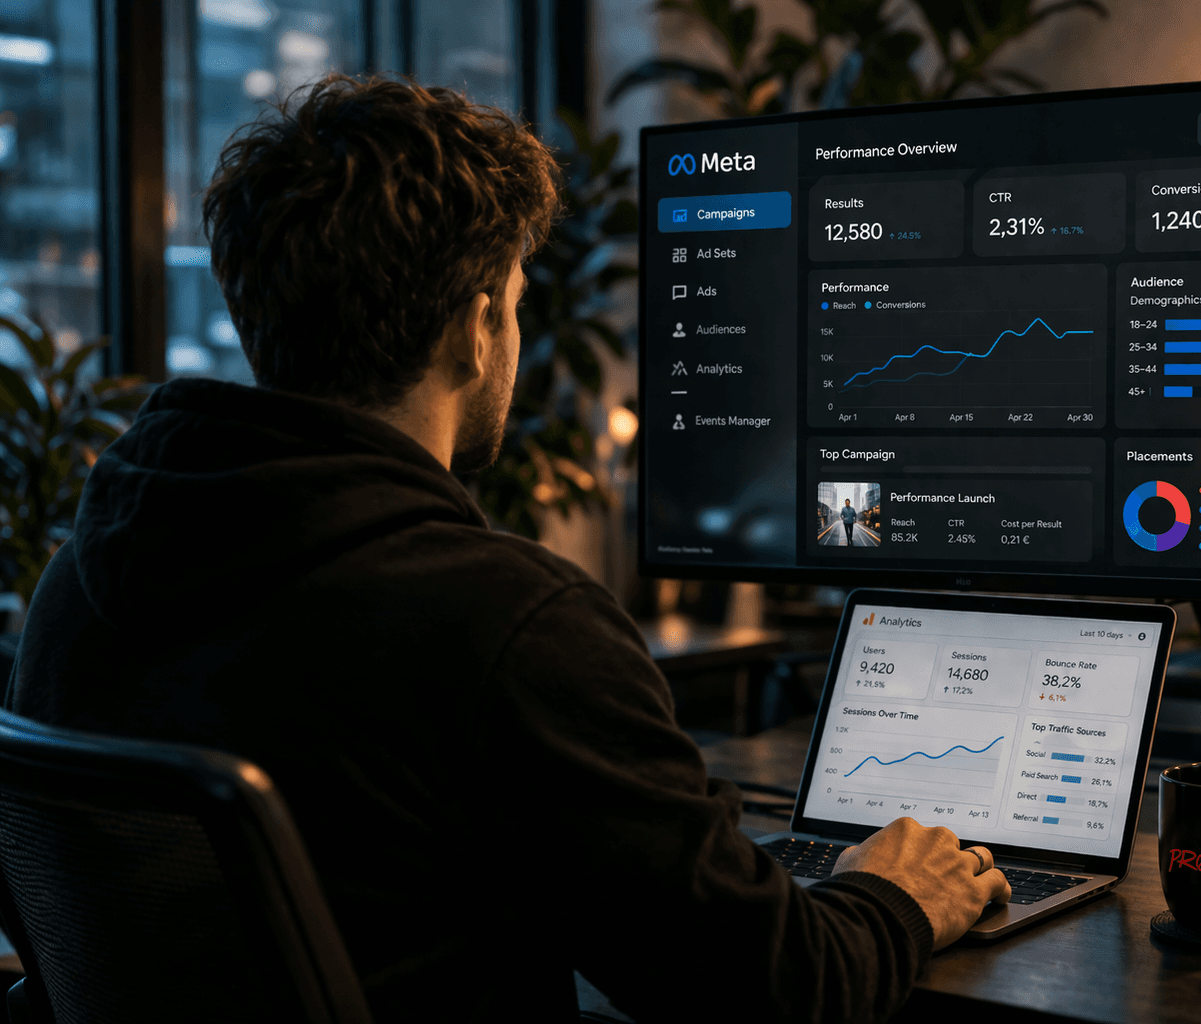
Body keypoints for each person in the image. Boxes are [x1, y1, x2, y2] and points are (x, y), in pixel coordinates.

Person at [4, 76, 1008, 1023]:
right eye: (520, 297)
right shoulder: (505, 623)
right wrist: (891, 893)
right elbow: (777, 991)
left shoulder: (79, 581)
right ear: (480, 324)